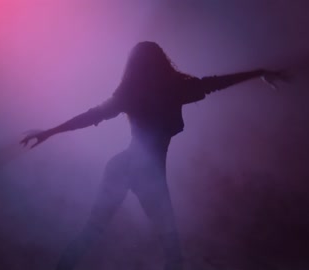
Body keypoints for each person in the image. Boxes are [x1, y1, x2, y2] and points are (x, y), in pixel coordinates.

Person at [21, 41, 285, 270]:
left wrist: (49, 133)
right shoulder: (171, 90)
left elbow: (91, 116)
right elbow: (216, 83)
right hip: (144, 172)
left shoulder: (138, 94)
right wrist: (49, 132)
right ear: (162, 63)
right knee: (170, 250)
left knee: (96, 233)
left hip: (125, 167)